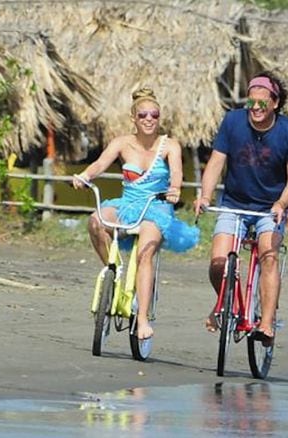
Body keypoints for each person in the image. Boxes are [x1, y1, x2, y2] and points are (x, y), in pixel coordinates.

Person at [73, 87, 200, 340]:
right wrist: (85, 175)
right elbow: (100, 163)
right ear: (133, 118)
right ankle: (115, 272)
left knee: (144, 254)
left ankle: (141, 318)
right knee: (96, 221)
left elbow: (177, 172)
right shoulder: (121, 142)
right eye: (143, 115)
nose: (149, 119)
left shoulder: (169, 145)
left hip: (156, 207)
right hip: (128, 204)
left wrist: (175, 189)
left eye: (154, 114)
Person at [194, 71, 288, 346]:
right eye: (251, 103)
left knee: (268, 255)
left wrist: (281, 204)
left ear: (275, 103)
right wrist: (205, 196)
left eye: (262, 104)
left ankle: (267, 324)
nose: (255, 109)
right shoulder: (233, 122)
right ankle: (225, 303)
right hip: (234, 203)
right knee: (218, 263)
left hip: (270, 208)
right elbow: (216, 163)